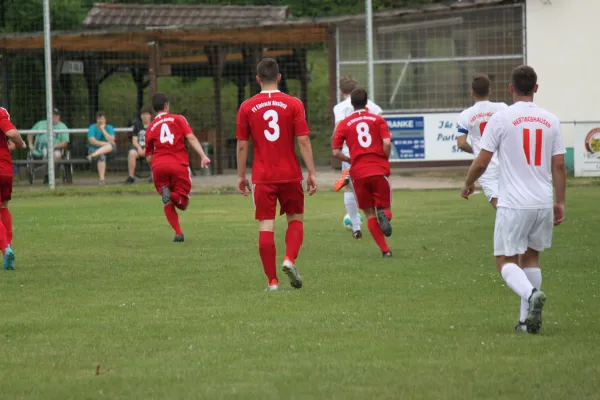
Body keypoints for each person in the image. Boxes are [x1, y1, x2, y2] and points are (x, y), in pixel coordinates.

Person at [461, 65, 566, 334]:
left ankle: (532, 296)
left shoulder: (502, 119)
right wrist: (560, 201)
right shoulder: (551, 120)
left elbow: (482, 161)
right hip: (542, 201)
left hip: (513, 203)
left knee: (505, 261)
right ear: (536, 88)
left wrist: (468, 182)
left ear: (511, 88)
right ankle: (525, 322)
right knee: (531, 259)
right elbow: (559, 167)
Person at [236, 58, 317, 292]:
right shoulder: (293, 104)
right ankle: (289, 260)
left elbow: (242, 145)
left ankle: (272, 282)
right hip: (290, 174)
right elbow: (302, 140)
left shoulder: (246, 107)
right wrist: (311, 172)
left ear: (258, 79)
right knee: (295, 219)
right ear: (280, 77)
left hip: (263, 176)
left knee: (266, 226)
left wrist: (241, 176)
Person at [332, 88, 393, 257]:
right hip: (378, 168)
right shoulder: (377, 120)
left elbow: (335, 152)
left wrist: (350, 160)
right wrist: (383, 158)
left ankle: (385, 251)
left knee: (368, 213)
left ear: (352, 104)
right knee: (385, 206)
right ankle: (385, 215)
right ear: (367, 102)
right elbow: (387, 143)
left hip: (358, 172)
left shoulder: (345, 123)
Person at [145, 92, 211, 242]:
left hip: (159, 165)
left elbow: (148, 156)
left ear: (154, 109)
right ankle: (171, 194)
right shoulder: (178, 119)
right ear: (167, 105)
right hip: (178, 164)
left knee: (167, 200)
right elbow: (191, 137)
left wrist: (156, 166)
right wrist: (203, 156)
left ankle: (178, 232)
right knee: (183, 202)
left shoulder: (150, 128)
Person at [332, 76, 382, 239]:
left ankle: (355, 227)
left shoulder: (340, 107)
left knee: (350, 188)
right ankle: (381, 212)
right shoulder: (370, 105)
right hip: (371, 152)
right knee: (375, 183)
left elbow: (339, 126)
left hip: (350, 153)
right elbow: (380, 118)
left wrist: (334, 144)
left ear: (341, 92)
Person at [456, 74, 508, 208]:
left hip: (486, 167)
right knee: (513, 202)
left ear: (472, 93)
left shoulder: (465, 115)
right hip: (507, 163)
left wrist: (479, 152)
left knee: (501, 207)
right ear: (489, 91)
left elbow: (461, 143)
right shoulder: (502, 108)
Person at [0, 107, 27, 270]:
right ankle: (7, 250)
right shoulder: (1, 112)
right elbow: (11, 133)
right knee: (3, 206)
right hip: (4, 168)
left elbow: (10, 134)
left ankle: (6, 249)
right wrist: (21, 143)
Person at [28, 108, 70, 184]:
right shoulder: (40, 124)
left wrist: (54, 146)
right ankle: (45, 168)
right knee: (43, 154)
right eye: (53, 115)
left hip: (54, 149)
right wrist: (30, 144)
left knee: (57, 155)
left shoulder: (63, 126)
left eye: (57, 115)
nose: (55, 117)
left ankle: (48, 176)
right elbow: (30, 133)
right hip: (38, 150)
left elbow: (65, 143)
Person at [87, 111, 116, 186]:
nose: (101, 120)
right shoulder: (92, 127)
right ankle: (102, 180)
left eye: (102, 118)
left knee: (112, 145)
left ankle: (92, 155)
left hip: (108, 151)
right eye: (99, 119)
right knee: (101, 154)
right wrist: (106, 144)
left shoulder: (109, 127)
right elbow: (92, 141)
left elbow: (112, 140)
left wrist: (103, 130)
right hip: (94, 149)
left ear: (105, 119)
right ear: (96, 120)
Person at [126, 107, 153, 184]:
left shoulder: (154, 125)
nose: (145, 116)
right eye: (143, 114)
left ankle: (154, 176)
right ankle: (131, 177)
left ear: (150, 115)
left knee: (153, 153)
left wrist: (147, 148)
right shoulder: (137, 125)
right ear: (141, 116)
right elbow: (134, 140)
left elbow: (155, 140)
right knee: (131, 153)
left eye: (147, 114)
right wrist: (139, 148)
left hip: (150, 148)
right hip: (139, 147)